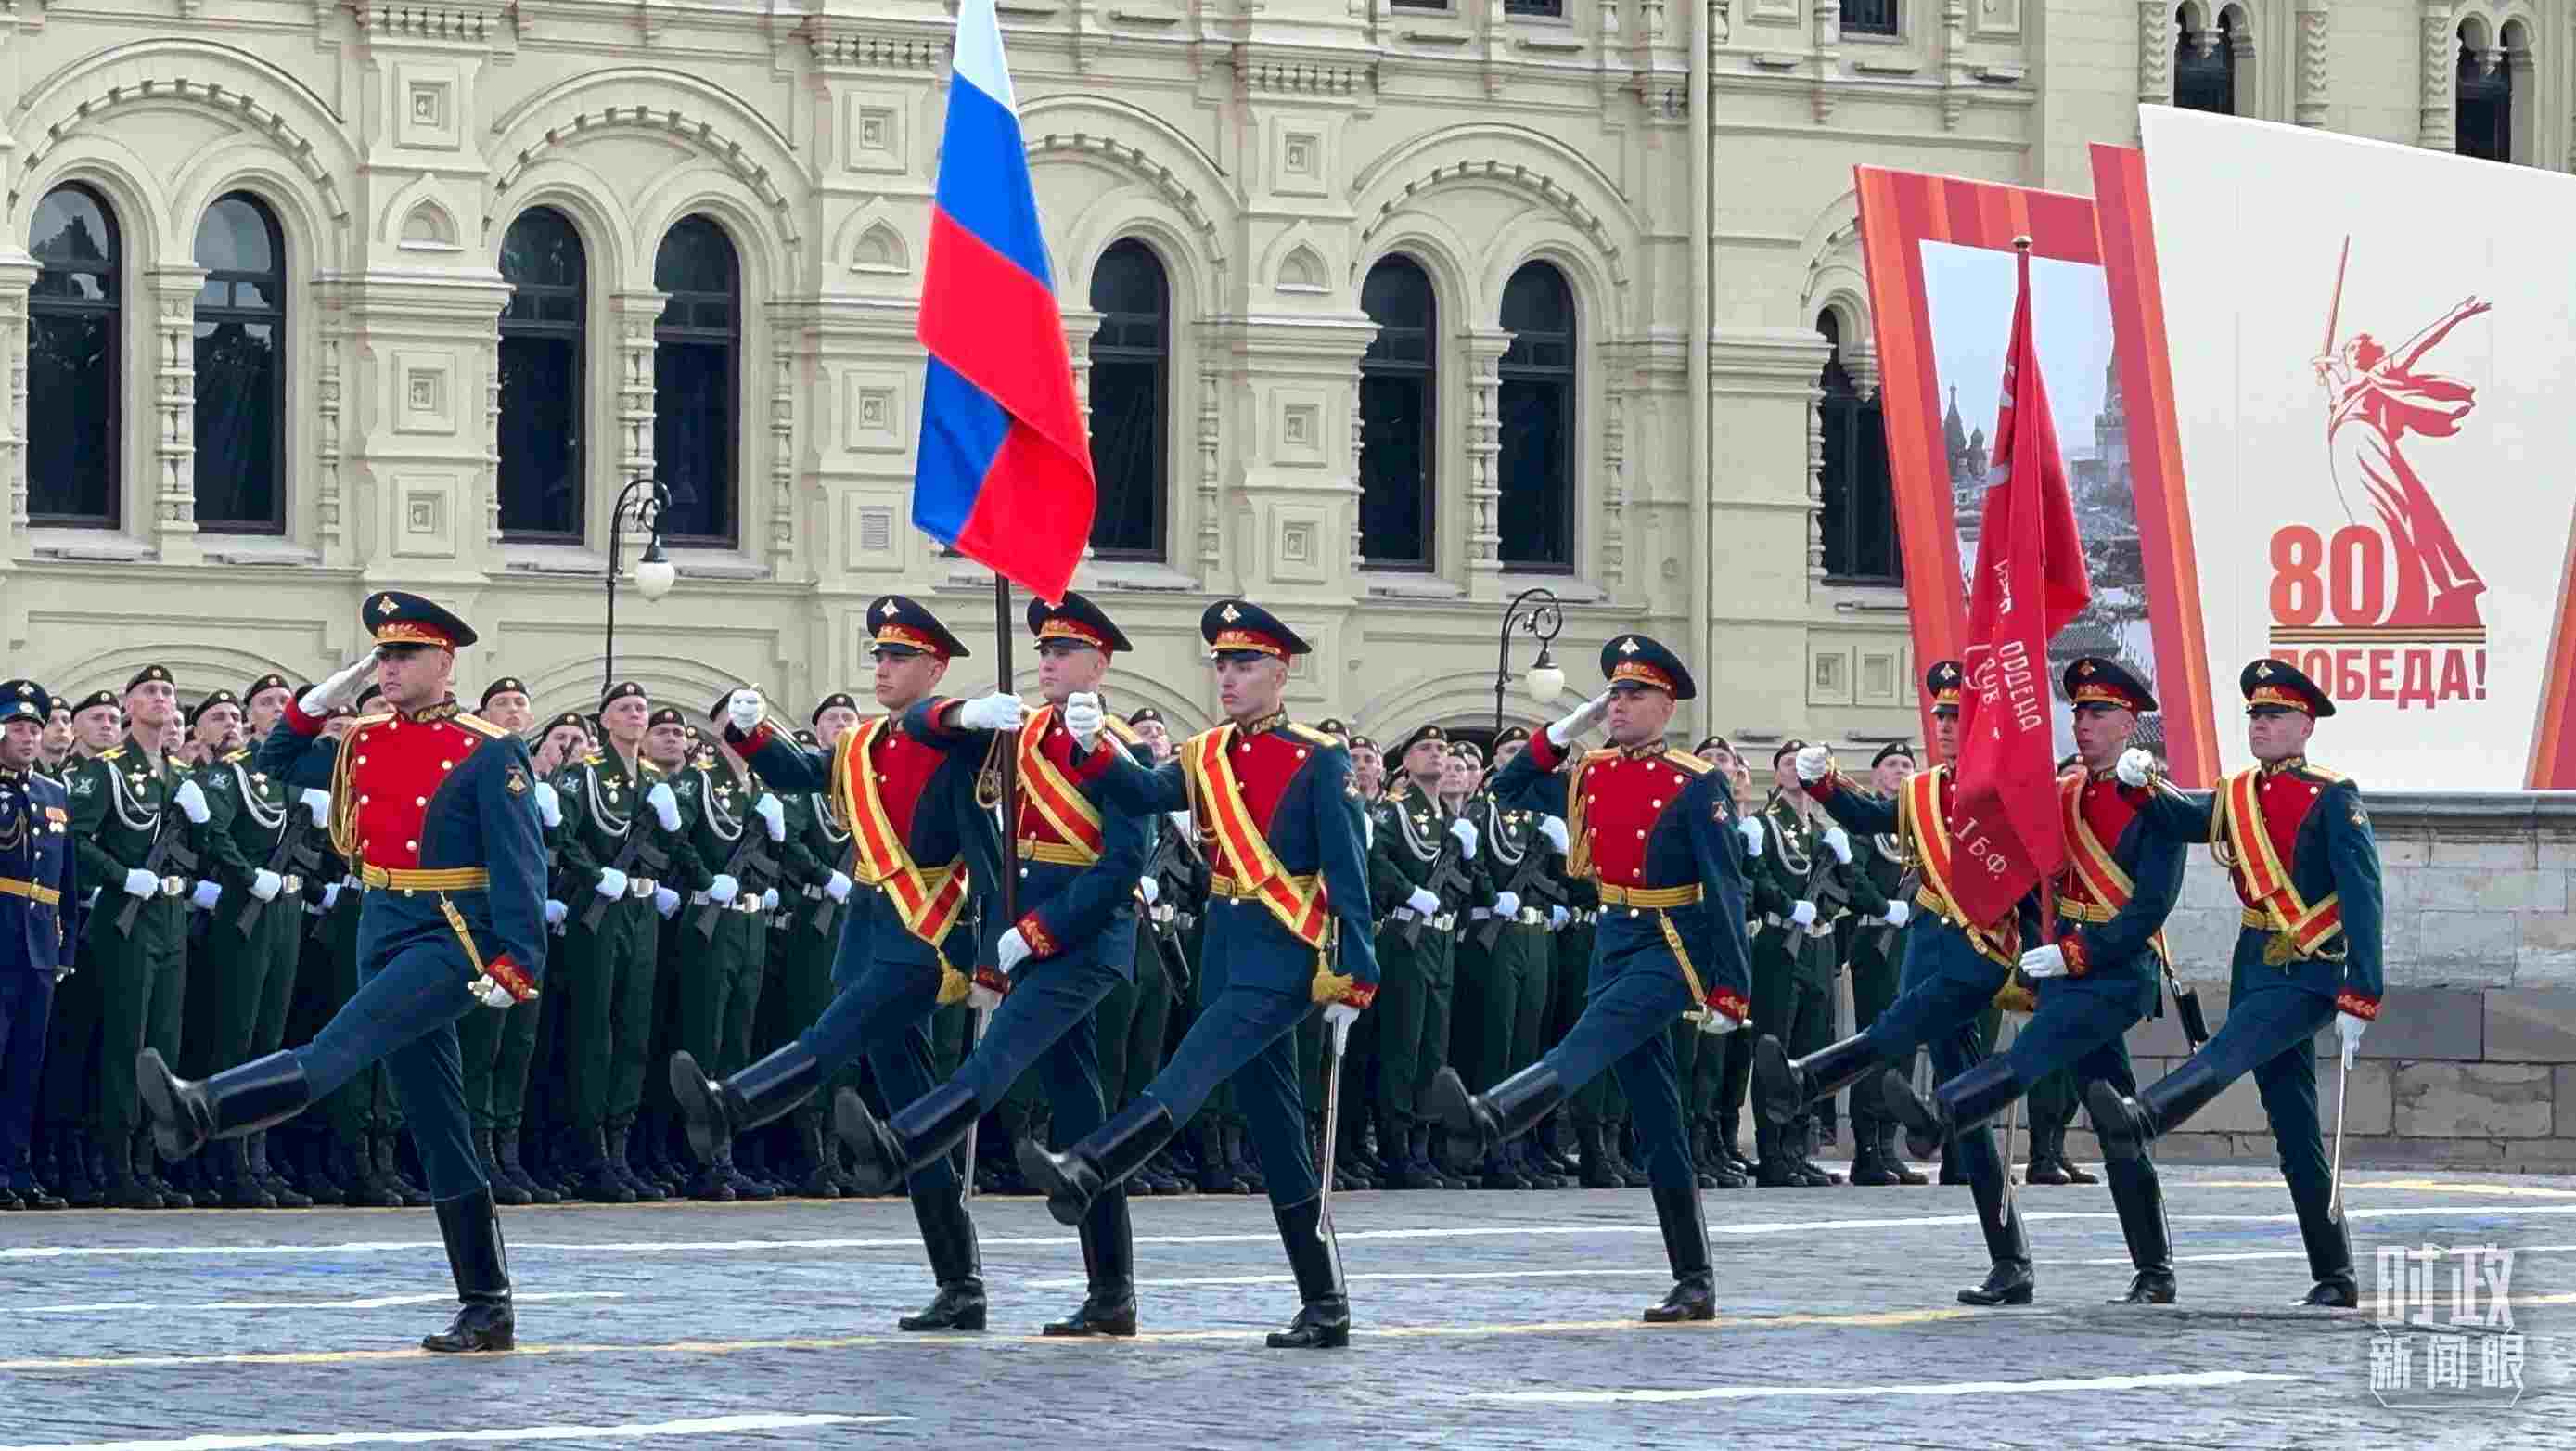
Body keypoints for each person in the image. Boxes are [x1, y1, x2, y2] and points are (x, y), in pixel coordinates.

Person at [137, 592, 547, 1353]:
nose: (388, 668)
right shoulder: (365, 739)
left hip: (451, 933)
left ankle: (205, 1108)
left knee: (339, 1048)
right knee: (437, 1122)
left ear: (444, 661)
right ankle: (488, 1307)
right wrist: (329, 692)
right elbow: (276, 759)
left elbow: (522, 863)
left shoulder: (489, 750)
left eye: (404, 655)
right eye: (381, 656)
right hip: (382, 921)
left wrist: (517, 960)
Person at [1019, 599, 1379, 1350]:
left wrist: (1356, 970)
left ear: (1279, 673)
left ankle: (1089, 1165)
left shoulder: (1318, 758)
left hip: (1285, 953)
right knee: (1278, 1131)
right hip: (1226, 948)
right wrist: (1093, 750)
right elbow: (1143, 795)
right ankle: (1324, 1303)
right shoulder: (1206, 751)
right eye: (1221, 663)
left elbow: (1348, 871)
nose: (1228, 676)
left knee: (1190, 1069)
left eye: (1244, 663)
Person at [670, 595, 1015, 1332]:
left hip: (927, 938)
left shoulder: (958, 742)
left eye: (900, 658)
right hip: (868, 932)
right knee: (917, 1118)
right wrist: (748, 729)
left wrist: (992, 958)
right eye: (879, 656)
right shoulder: (860, 746)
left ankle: (734, 1105)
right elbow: (797, 773)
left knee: (832, 1036)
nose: (883, 668)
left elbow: (990, 858)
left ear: (935, 670)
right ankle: (961, 1285)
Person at [833, 590, 1160, 1335]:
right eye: (1042, 650)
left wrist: (1036, 932)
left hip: (1082, 943)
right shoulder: (1018, 735)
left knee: (994, 1063)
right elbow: (927, 735)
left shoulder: (1120, 749)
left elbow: (1121, 866)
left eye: (1064, 652)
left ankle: (900, 1142)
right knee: (1081, 1115)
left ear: (1099, 665)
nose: (1047, 663)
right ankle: (1110, 1294)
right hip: (1022, 937)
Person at [1430, 634, 1753, 1322]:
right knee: (1659, 1122)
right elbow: (1506, 788)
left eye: (1635, 694)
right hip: (1614, 941)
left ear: (1666, 706)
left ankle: (1494, 1115)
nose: (1619, 705)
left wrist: (1731, 987)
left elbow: (1726, 887)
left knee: (1588, 1042)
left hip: (1671, 946)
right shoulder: (1593, 771)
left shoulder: (1696, 782)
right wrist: (1559, 734)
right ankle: (1693, 1279)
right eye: (1613, 694)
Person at [1873, 657, 2185, 1304]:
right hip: (2062, 973)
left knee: (2031, 1057)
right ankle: (2150, 1270)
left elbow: (2149, 909)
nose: (2084, 723)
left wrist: (2073, 954)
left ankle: (1942, 1113)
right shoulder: (2062, 794)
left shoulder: (2154, 799)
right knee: (2115, 1118)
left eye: (2099, 712)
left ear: (2128, 723)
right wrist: (2028, 953)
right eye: (2079, 711)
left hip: (2113, 974)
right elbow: (2026, 877)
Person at [2089, 658, 2383, 1309]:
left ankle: (2146, 1116)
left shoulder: (2334, 796)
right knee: (2295, 1132)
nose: (2261, 725)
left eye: (2274, 715)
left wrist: (2362, 992)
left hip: (2308, 968)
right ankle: (2335, 1275)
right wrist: (2143, 788)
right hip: (2254, 962)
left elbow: (2363, 897)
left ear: (2305, 725)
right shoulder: (2239, 793)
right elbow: (2185, 821)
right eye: (2255, 715)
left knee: (2229, 1048)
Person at [1754, 661, 2044, 1307]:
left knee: (1902, 1026)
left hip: (1981, 947)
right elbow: (1867, 817)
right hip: (1928, 937)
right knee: (1966, 1106)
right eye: (1939, 715)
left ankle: (1810, 1079)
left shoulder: (2007, 789)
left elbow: (2032, 876)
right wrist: (1824, 782)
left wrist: (2039, 953)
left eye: (1957, 716)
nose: (1945, 726)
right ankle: (2010, 1262)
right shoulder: (1923, 791)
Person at [67, 665, 206, 1209]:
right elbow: (76, 841)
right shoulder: (106, 771)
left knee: (163, 1043)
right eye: (149, 691)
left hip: (171, 917)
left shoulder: (179, 776)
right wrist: (121, 876)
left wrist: (202, 820)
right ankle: (117, 1164)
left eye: (168, 692)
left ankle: (150, 1161)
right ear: (129, 706)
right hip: (126, 918)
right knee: (127, 1042)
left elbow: (204, 851)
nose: (161, 698)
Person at [547, 682, 687, 1203]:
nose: (636, 715)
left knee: (634, 1029)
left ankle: (620, 1149)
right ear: (604, 721)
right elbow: (561, 837)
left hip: (642, 911)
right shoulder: (583, 776)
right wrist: (593, 874)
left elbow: (674, 848)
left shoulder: (653, 782)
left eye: (641, 709)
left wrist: (671, 826)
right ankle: (591, 1152)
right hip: (599, 911)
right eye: (625, 708)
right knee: (595, 1029)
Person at [0, 681, 78, 1211]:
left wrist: (65, 947)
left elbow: (65, 878)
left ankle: (16, 1168)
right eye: (17, 728)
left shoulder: (54, 794)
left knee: (27, 1064)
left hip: (40, 945)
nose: (28, 737)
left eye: (34, 728)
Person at [1838, 741, 1926, 1188]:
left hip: (1911, 942)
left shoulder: (1921, 825)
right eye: (1891, 765)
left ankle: (1889, 1146)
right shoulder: (1866, 825)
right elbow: (1849, 873)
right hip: (1876, 941)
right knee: (1877, 1040)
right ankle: (1867, 1150)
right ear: (1876, 776)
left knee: (1904, 1044)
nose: (1900, 771)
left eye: (1907, 765)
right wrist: (1882, 905)